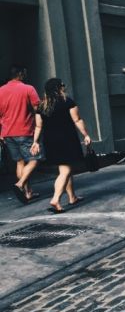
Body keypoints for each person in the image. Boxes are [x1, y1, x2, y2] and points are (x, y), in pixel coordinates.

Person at [30, 79, 89, 213]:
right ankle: (55, 199)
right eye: (62, 85)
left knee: (65, 168)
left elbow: (38, 126)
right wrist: (86, 135)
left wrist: (35, 142)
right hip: (66, 139)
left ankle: (72, 197)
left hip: (51, 141)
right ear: (58, 88)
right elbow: (77, 120)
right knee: (65, 171)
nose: (64, 87)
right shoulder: (67, 101)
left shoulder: (41, 106)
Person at [0, 65, 44, 203]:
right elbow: (39, 109)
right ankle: (20, 184)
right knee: (34, 159)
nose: (25, 75)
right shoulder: (28, 88)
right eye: (24, 73)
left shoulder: (0, 91)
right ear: (19, 74)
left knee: (20, 162)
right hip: (25, 131)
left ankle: (28, 192)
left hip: (7, 133)